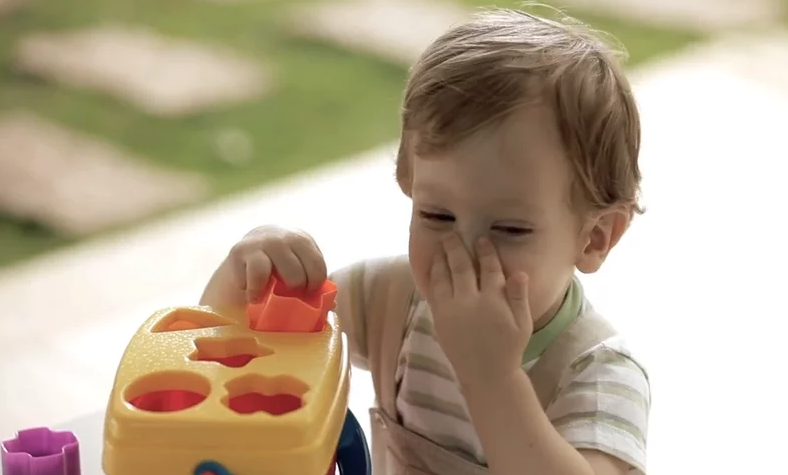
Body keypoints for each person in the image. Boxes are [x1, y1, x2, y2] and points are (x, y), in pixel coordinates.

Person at [200, 7, 650, 475]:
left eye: (510, 229)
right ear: (408, 183)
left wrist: (492, 379)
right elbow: (223, 367)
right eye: (437, 215)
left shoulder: (599, 374)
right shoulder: (391, 300)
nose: (465, 253)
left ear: (595, 237)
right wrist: (242, 277)